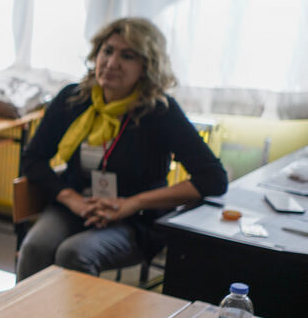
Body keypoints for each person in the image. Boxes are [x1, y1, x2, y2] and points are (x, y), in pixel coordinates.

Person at [16, 17, 227, 281]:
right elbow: (33, 159)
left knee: (74, 253)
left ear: (146, 67)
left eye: (127, 56)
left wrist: (131, 203)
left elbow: (213, 179)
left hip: (136, 219)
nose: (112, 63)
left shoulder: (160, 111)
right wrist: (73, 200)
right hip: (78, 206)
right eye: (107, 51)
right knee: (36, 247)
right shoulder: (74, 99)